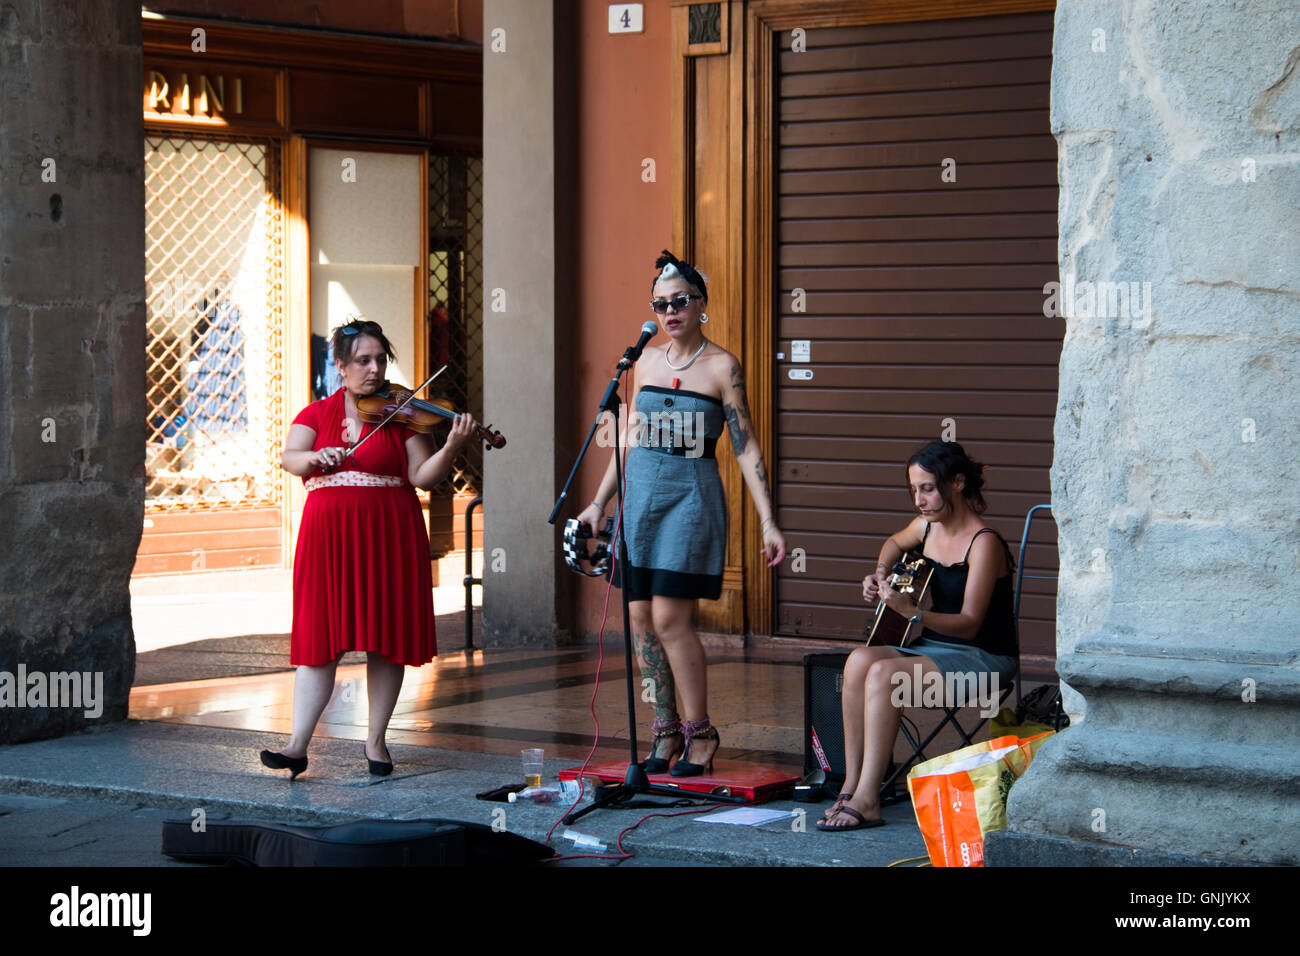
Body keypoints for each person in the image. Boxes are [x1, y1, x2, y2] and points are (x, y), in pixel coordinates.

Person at [576, 250, 786, 777]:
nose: (670, 312)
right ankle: (664, 731)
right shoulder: (643, 361)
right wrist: (600, 502)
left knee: (671, 617)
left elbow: (745, 445)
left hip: (690, 497)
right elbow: (627, 441)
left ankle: (701, 731)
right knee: (640, 617)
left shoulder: (722, 365)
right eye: (660, 304)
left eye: (680, 302)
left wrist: (768, 519)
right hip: (640, 495)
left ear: (700, 306)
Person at [260, 318, 477, 779]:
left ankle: (376, 742)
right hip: (328, 539)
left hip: (389, 531)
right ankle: (297, 746)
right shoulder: (315, 414)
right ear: (340, 366)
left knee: (386, 640)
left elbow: (421, 476)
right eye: (363, 360)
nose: (374, 369)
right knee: (321, 642)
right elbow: (289, 457)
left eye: (380, 359)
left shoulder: (403, 416)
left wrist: (452, 446)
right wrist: (316, 458)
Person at [819, 440, 1017, 830]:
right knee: (859, 659)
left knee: (885, 674)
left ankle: (869, 797)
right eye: (914, 490)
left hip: (983, 658)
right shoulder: (925, 528)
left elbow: (971, 622)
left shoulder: (984, 542)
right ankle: (851, 783)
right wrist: (879, 574)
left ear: (957, 483)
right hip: (932, 648)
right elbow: (893, 543)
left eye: (927, 488)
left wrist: (915, 615)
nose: (919, 500)